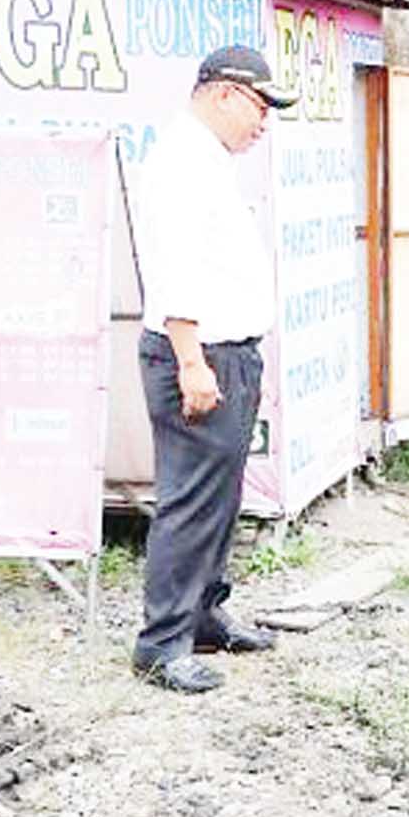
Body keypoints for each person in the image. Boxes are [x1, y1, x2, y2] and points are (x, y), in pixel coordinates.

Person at [130, 46, 296, 693]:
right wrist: (192, 361)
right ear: (224, 94)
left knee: (221, 495)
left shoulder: (206, 159)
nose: (262, 124)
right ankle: (161, 641)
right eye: (259, 107)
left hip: (228, 351)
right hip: (195, 355)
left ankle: (203, 612)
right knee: (190, 499)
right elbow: (174, 269)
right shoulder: (179, 160)